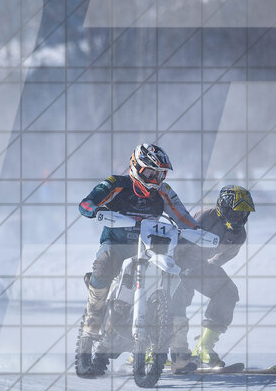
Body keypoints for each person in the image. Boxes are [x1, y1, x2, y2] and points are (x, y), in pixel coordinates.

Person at [76, 143, 202, 339]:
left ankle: (168, 337)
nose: (155, 179)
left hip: (149, 248)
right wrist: (97, 210)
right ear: (136, 166)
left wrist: (198, 233)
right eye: (151, 173)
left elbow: (182, 217)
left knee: (176, 275)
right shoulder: (116, 183)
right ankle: (93, 315)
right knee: (104, 262)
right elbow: (85, 203)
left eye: (160, 174)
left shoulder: (164, 191)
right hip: (116, 244)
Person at [169, 185, 255, 372]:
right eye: (237, 212)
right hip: (175, 262)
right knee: (180, 296)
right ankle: (175, 351)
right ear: (223, 208)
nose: (241, 218)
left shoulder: (239, 235)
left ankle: (204, 347)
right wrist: (178, 269)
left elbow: (221, 259)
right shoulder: (204, 218)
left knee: (227, 292)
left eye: (244, 213)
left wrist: (209, 274)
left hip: (200, 265)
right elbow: (178, 240)